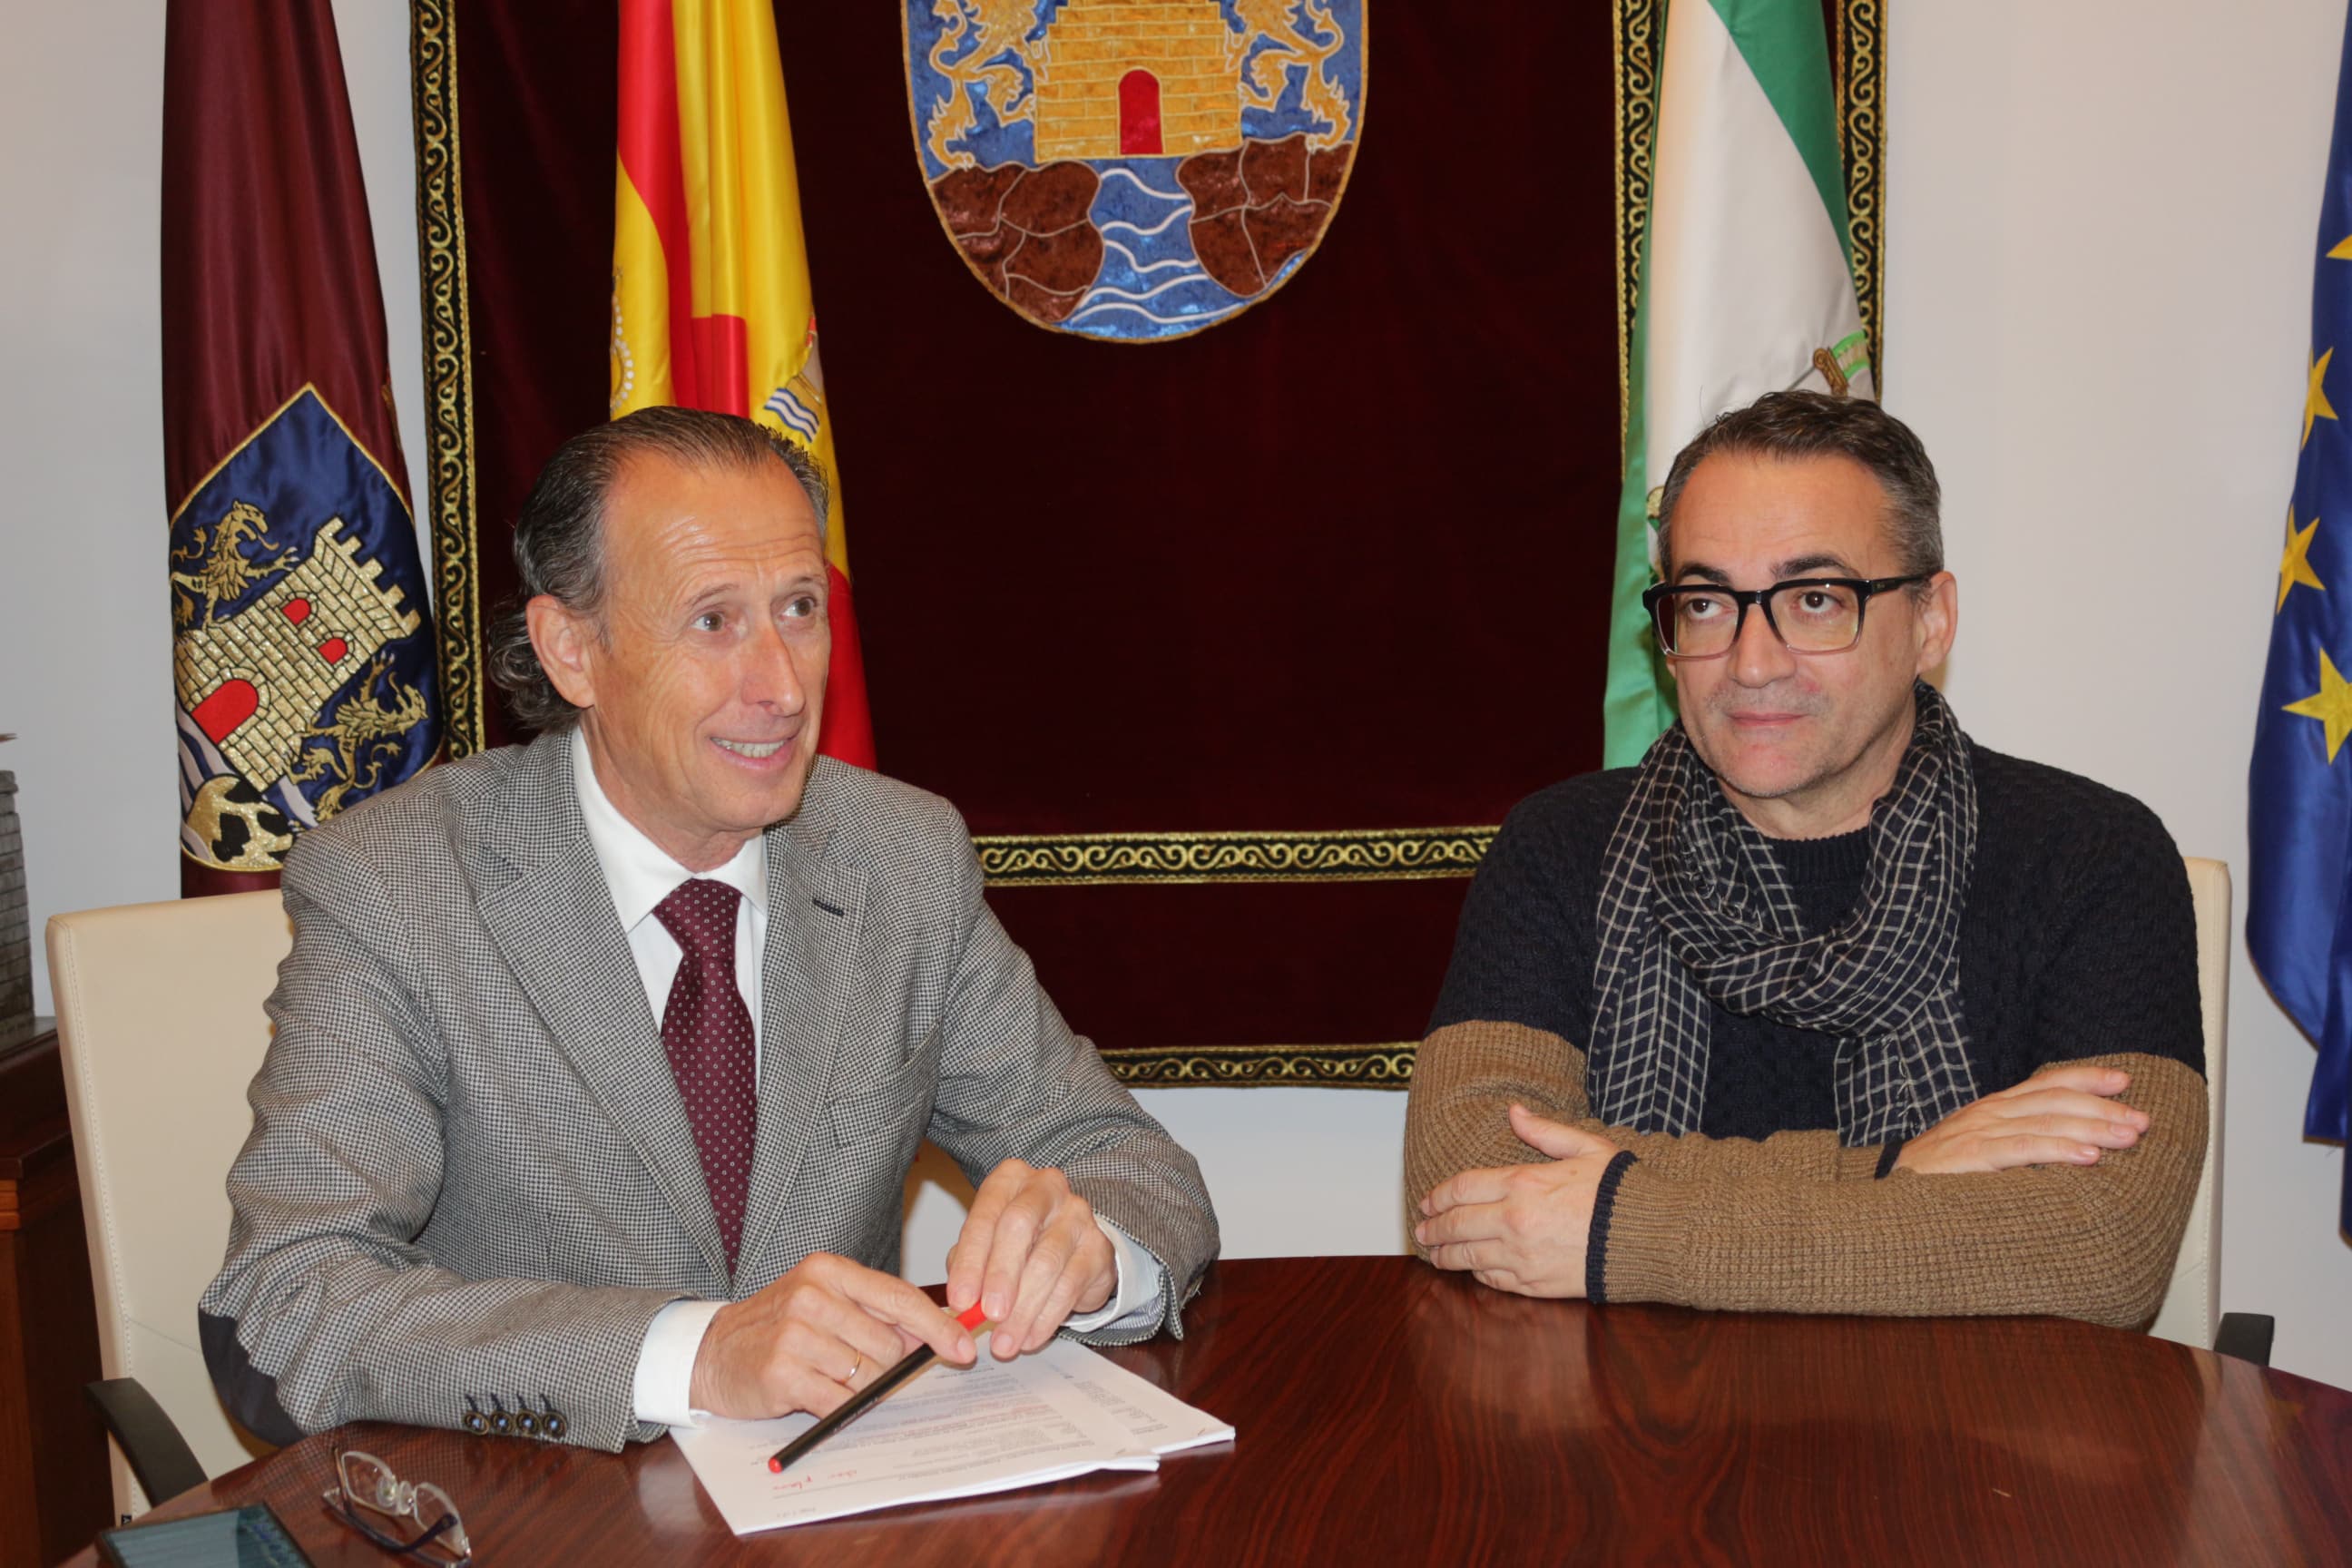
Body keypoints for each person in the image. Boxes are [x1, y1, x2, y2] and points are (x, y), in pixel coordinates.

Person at [201, 407, 1218, 1452]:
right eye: (713, 622)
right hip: (535, 1509)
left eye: (800, 607)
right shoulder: (398, 886)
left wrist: (1090, 1247)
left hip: (840, 1508)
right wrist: (695, 1354)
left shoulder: (900, 859)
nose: (780, 687)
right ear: (571, 650)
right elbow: (288, 1297)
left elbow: (1124, 1161)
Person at [1404, 390, 2204, 1327]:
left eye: (1815, 599)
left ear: (1931, 621)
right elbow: (1465, 1184)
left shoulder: (2092, 856)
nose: (1750, 663)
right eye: (1706, 604)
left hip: (1968, 1452)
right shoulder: (1559, 847)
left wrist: (1624, 1221)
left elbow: (2107, 1245)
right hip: (1625, 1444)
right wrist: (1898, 1168)